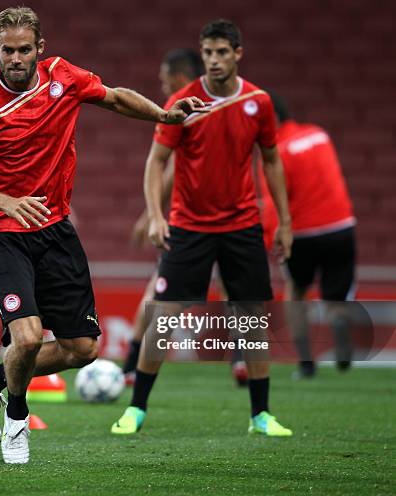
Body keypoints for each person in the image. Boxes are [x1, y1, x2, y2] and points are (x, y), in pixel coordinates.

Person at [0, 7, 208, 464]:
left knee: (83, 349)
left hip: (54, 229)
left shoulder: (62, 77)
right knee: (25, 339)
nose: (15, 58)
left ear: (39, 49)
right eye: (7, 50)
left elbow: (114, 97)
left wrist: (165, 117)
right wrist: (7, 202)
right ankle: (17, 422)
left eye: (24, 49)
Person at [112, 19, 293, 437]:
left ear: (237, 54)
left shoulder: (258, 102)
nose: (213, 60)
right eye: (208, 52)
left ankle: (260, 415)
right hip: (189, 227)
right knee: (163, 318)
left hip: (243, 225)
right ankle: (136, 409)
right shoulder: (182, 101)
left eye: (222, 52)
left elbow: (271, 160)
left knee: (251, 318)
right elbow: (157, 162)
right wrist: (156, 215)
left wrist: (285, 221)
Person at [124, 48, 248, 387]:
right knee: (233, 290)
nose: (163, 88)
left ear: (178, 77)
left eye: (164, 80)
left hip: (196, 221)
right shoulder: (226, 101)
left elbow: (171, 166)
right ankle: (241, 361)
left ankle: (131, 367)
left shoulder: (190, 105)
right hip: (234, 216)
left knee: (160, 292)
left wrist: (151, 214)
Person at [262, 93, 356, 379]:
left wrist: (270, 240)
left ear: (272, 118)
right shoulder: (319, 135)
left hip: (302, 231)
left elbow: (271, 201)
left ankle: (306, 363)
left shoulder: (274, 149)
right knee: (336, 296)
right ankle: (338, 325)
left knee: (296, 291)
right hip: (341, 225)